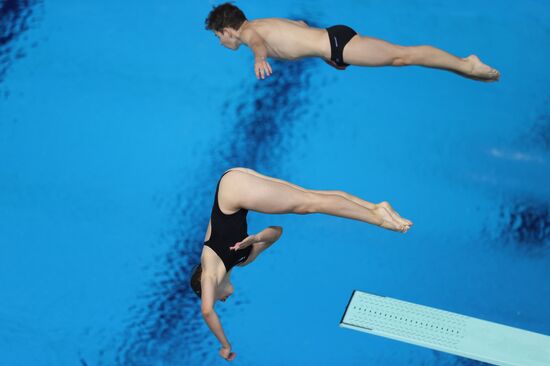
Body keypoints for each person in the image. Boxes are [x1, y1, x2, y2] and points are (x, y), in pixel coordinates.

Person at [190, 167, 412, 361]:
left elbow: (207, 311)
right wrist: (256, 238)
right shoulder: (243, 258)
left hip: (234, 189)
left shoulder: (210, 270)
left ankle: (379, 220)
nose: (222, 300)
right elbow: (276, 232)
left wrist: (225, 346)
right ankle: (376, 208)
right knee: (311, 197)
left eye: (215, 297)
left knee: (309, 204)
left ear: (204, 286)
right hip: (236, 185)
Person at [205, 3, 500, 81]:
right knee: (400, 58)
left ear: (228, 29)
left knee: (402, 56)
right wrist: (322, 54)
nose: (220, 43)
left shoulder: (248, 33)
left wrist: (259, 58)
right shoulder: (261, 23)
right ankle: (461, 66)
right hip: (334, 42)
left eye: (219, 36)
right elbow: (300, 26)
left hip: (336, 43)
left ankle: (466, 63)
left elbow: (256, 42)